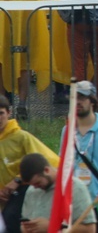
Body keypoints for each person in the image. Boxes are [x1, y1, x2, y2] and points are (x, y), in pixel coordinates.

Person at [0, 0, 50, 118]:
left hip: (3, 20)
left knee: (1, 59)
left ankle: (2, 102)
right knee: (25, 61)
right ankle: (22, 103)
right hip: (28, 20)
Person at [0, 96, 59, 232]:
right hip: (2, 195)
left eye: (1, 113)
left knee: (12, 221)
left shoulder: (21, 137)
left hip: (22, 189)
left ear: (8, 113)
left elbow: (40, 160)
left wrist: (17, 180)